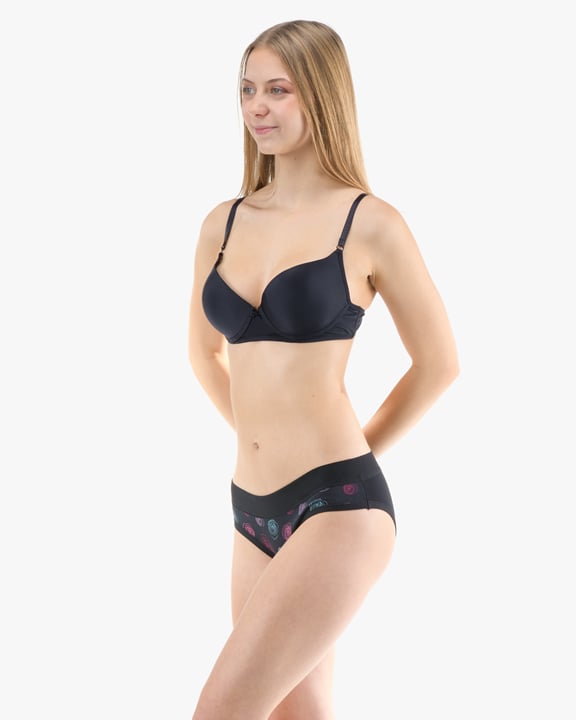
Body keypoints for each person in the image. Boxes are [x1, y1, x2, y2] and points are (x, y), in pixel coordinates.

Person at [188, 19, 459, 719]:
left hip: (337, 508)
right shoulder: (222, 223)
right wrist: (259, 436)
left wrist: (353, 458)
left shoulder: (370, 223)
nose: (257, 107)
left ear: (322, 95)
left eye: (278, 90)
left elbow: (438, 363)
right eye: (247, 89)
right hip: (250, 511)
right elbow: (203, 353)